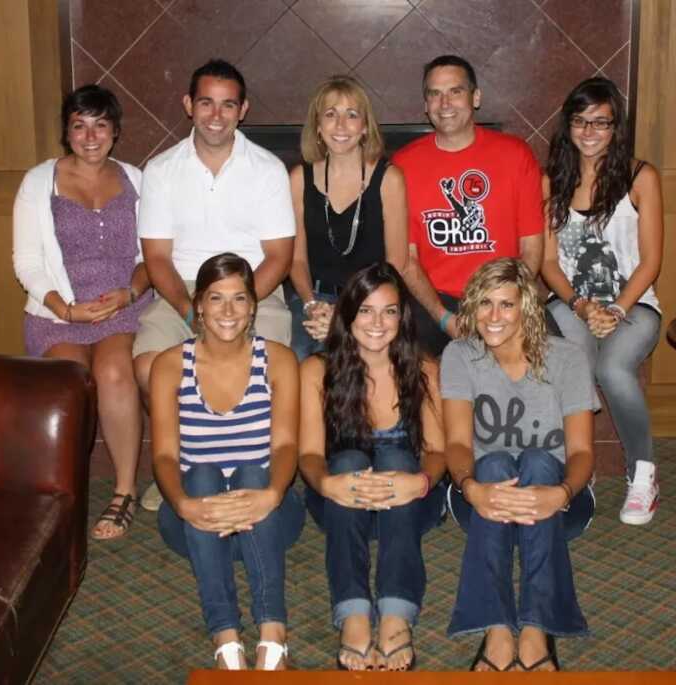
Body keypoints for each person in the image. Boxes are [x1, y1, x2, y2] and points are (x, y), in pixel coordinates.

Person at [134, 59, 296, 511]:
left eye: (228, 105)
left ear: (243, 110)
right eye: (206, 102)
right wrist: (193, 312)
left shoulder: (266, 169)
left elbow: (279, 257)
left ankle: (260, 470)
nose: (216, 115)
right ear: (189, 105)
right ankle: (179, 469)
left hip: (253, 286)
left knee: (269, 370)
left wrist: (238, 306)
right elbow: (157, 258)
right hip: (182, 289)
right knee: (150, 366)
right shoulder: (161, 169)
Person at [150, 252, 304, 671]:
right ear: (198, 304)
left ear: (254, 305)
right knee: (200, 475)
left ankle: (273, 638)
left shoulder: (278, 359)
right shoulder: (168, 365)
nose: (228, 311)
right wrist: (184, 504)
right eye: (217, 299)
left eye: (239, 299)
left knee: (254, 471)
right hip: (195, 520)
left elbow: (286, 446)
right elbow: (163, 455)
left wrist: (272, 494)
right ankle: (227, 641)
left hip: (269, 517)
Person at [442, 258, 598, 672]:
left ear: (526, 307)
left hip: (561, 500)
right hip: (480, 498)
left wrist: (561, 493)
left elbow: (581, 453)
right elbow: (456, 443)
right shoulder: (459, 355)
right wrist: (470, 486)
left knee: (537, 460)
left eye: (506, 305)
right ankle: (497, 630)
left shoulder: (566, 357)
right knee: (492, 462)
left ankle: (533, 631)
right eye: (485, 304)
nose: (494, 317)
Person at [13, 84, 150, 540]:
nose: (90, 136)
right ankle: (62, 492)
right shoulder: (39, 181)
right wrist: (66, 311)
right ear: (66, 132)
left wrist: (127, 294)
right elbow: (27, 262)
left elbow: (153, 254)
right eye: (79, 125)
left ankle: (124, 491)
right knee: (70, 377)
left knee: (114, 372)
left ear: (115, 132)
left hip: (123, 304)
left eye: (101, 125)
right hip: (61, 310)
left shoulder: (136, 179)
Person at [299, 262, 446, 671]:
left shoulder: (424, 368)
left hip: (410, 504)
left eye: (390, 311)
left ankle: (397, 615)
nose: (378, 322)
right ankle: (354, 615)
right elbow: (309, 455)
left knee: (399, 459)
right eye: (365, 310)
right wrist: (327, 484)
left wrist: (420, 480)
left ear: (403, 316)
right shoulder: (317, 370)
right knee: (345, 460)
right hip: (343, 505)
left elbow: (438, 451)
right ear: (347, 314)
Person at [541, 77, 663, 525]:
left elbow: (650, 261)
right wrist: (580, 306)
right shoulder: (551, 180)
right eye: (580, 121)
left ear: (616, 127)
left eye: (601, 122)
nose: (589, 132)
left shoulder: (640, 177)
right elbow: (548, 263)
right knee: (574, 362)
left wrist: (614, 309)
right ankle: (579, 468)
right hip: (570, 303)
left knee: (611, 368)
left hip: (634, 304)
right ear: (568, 125)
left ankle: (643, 474)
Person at [392, 55, 545, 357]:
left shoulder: (515, 155)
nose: (444, 103)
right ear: (425, 105)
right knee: (404, 365)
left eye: (455, 91)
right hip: (435, 300)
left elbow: (531, 247)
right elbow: (405, 259)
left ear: (475, 98)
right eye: (435, 94)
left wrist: (503, 306)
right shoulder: (403, 165)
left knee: (554, 363)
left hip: (503, 293)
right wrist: (444, 318)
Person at [288, 76, 408, 360]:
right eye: (331, 114)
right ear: (318, 126)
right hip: (314, 300)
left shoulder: (389, 179)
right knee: (301, 358)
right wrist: (311, 305)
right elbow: (296, 260)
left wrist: (350, 313)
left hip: (372, 300)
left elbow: (397, 263)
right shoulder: (298, 179)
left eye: (351, 115)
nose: (340, 125)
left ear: (365, 127)